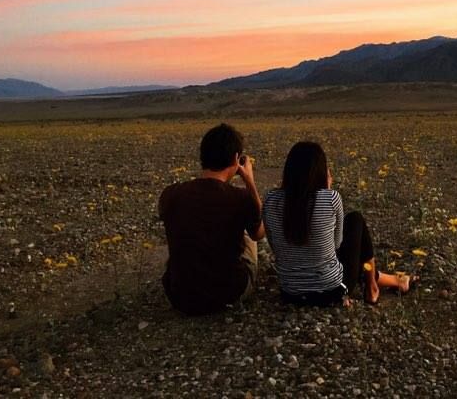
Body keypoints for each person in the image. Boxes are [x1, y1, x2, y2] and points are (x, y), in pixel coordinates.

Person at [263, 141, 413, 307]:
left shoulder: (271, 200)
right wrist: (326, 189)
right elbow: (337, 244)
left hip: (289, 293)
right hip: (331, 292)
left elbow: (274, 245)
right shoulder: (330, 198)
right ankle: (372, 287)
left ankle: (391, 280)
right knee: (355, 219)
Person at [159, 123, 264, 315]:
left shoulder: (171, 194)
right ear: (236, 158)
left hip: (180, 297)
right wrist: (250, 181)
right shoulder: (240, 198)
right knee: (248, 236)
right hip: (228, 294)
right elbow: (259, 233)